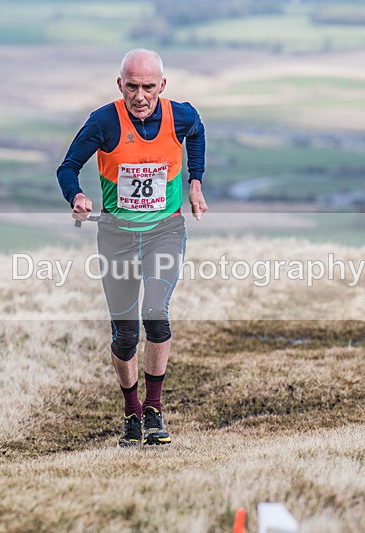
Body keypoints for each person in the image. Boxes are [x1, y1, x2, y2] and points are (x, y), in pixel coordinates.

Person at [57, 49, 208, 447]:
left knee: (156, 313)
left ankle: (155, 409)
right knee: (126, 335)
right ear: (119, 84)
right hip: (117, 236)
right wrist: (76, 195)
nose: (140, 96)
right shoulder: (104, 122)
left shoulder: (181, 115)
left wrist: (195, 182)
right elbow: (67, 167)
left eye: (148, 87)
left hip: (165, 230)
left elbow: (198, 132)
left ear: (162, 85)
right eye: (132, 87)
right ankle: (131, 412)